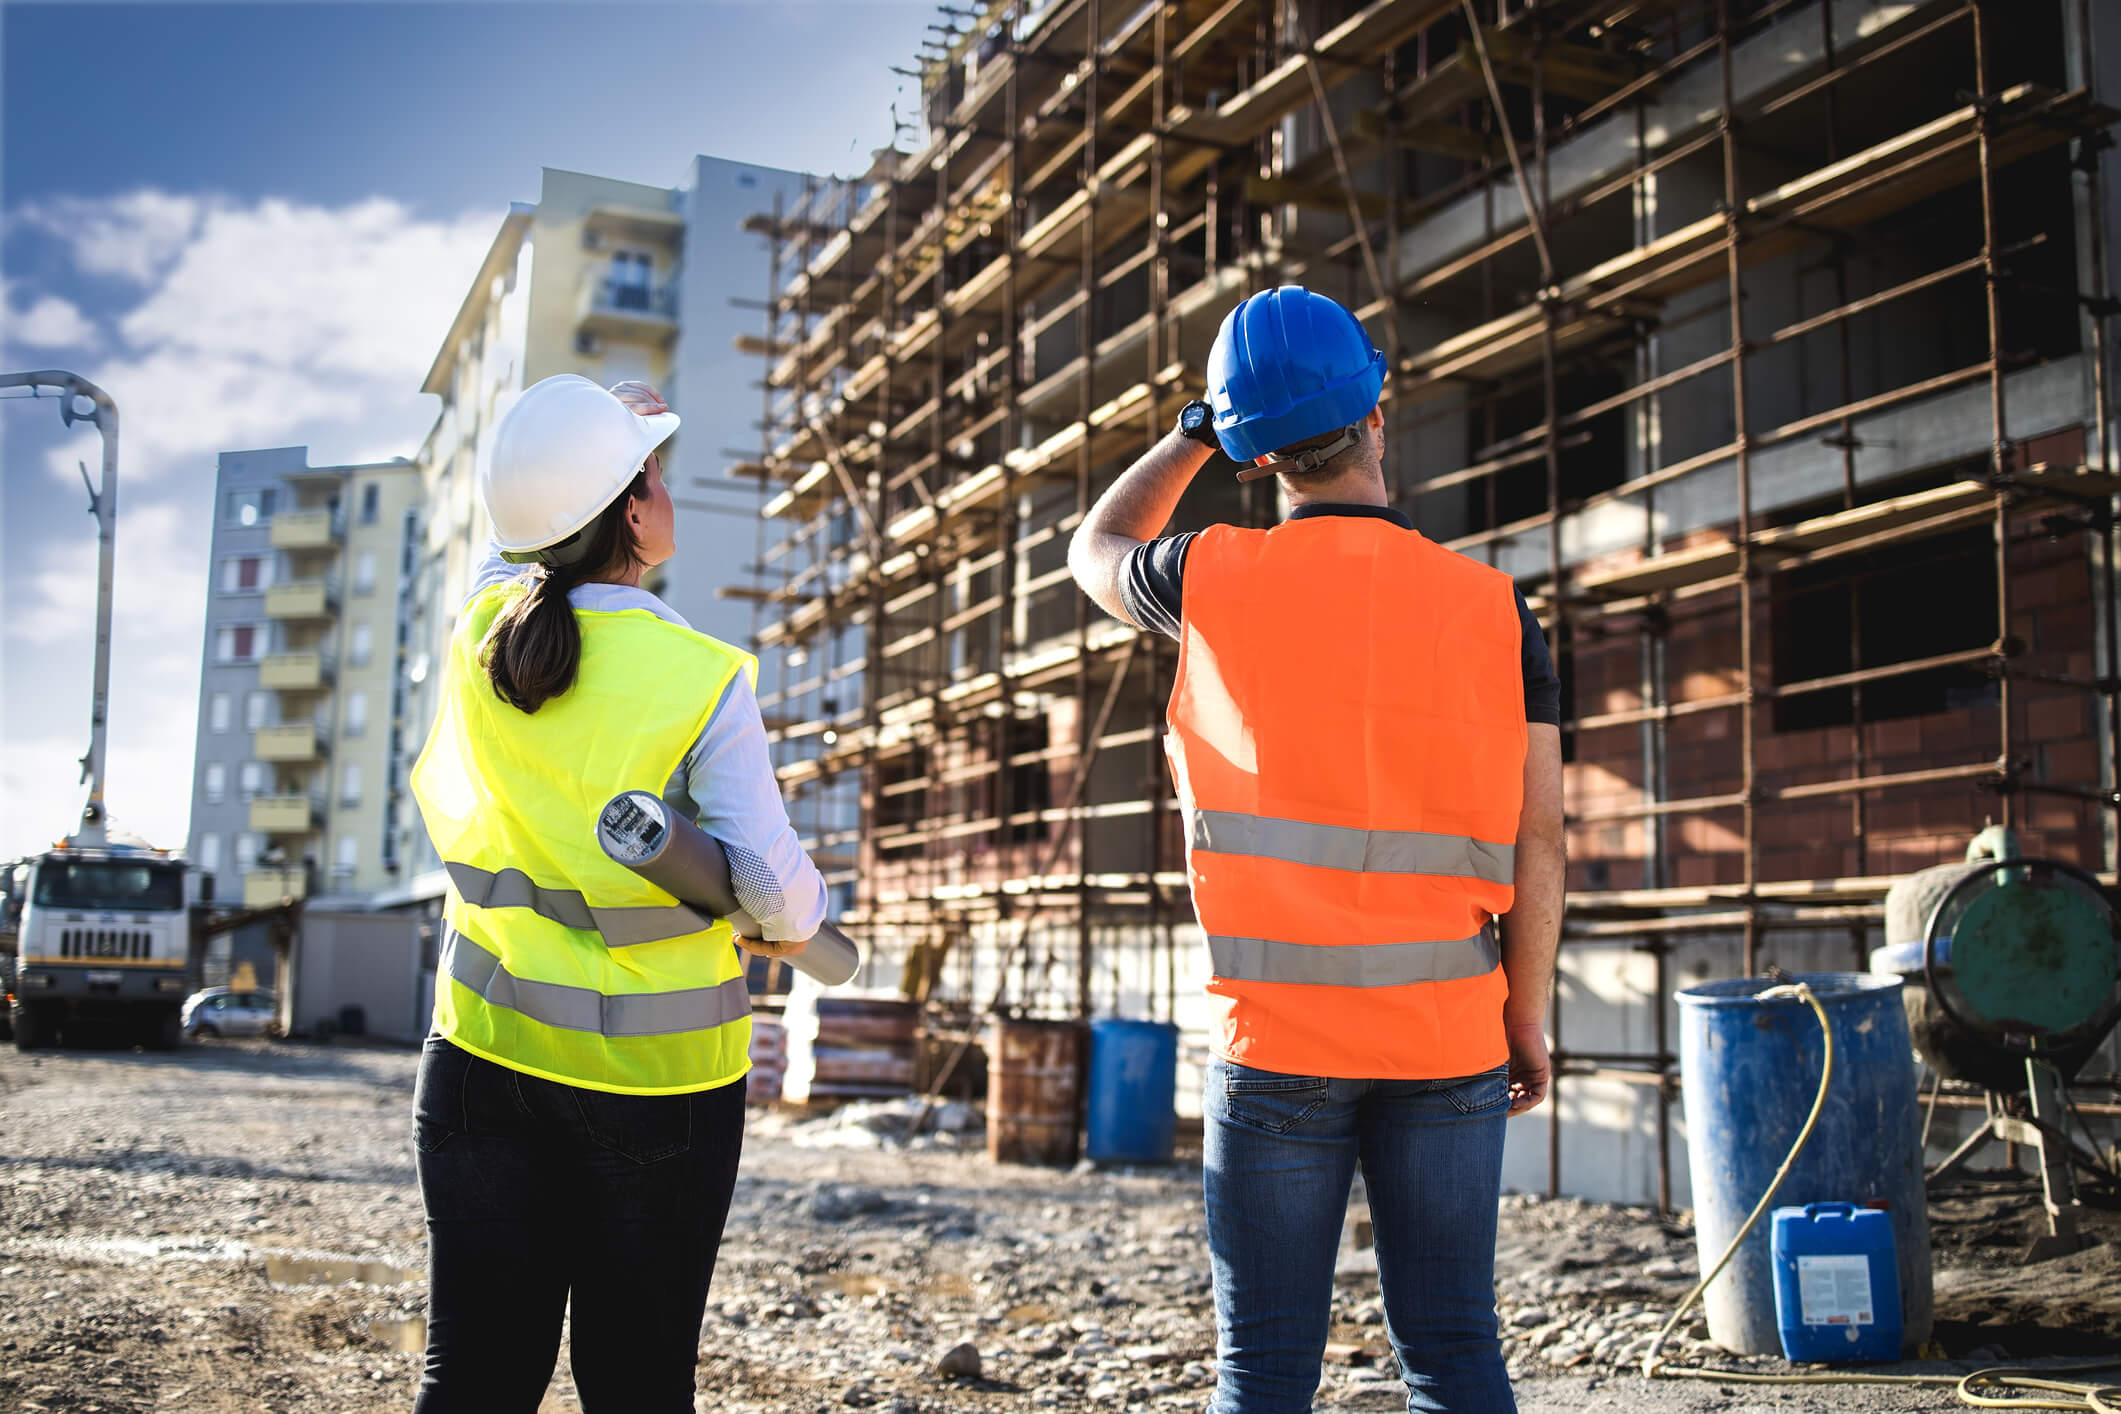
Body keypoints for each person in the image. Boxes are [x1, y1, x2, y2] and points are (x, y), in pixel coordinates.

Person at [1066, 286, 1566, 1414]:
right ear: (1378, 411)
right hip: (1447, 1040)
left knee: (1264, 1368)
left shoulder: (1209, 576)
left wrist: (1193, 432)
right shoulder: (1494, 609)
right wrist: (1523, 1014)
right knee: (1450, 1347)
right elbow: (1543, 834)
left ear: (1254, 458)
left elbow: (1092, 548)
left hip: (1275, 1042)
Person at [407, 374, 827, 1412]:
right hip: (657, 1092)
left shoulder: (480, 639)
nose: (669, 491)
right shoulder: (698, 675)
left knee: (471, 1380)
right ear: (636, 510)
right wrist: (796, 921)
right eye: (657, 475)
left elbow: (518, 549)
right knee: (637, 1385)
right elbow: (774, 888)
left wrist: (597, 437)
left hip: (480, 1060)